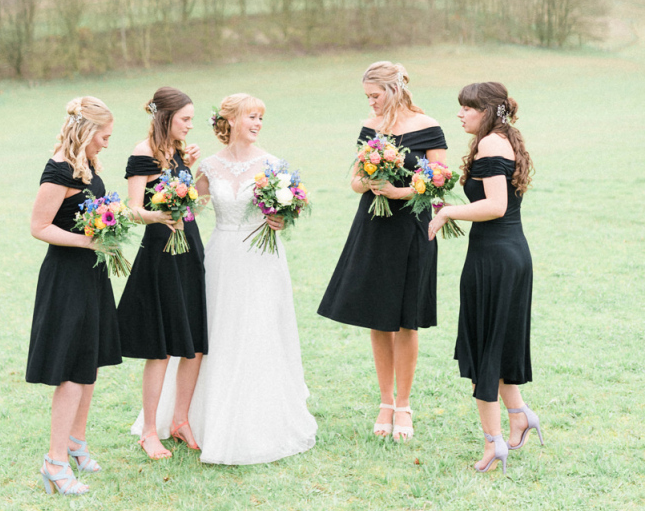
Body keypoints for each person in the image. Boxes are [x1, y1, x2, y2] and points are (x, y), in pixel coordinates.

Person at [141, 93, 317, 464]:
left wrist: (283, 218)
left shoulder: (273, 165)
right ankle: (192, 416)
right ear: (231, 120)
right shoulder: (208, 166)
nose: (256, 124)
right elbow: (188, 206)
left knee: (258, 329)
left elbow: (287, 210)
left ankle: (256, 417)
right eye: (251, 117)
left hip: (262, 258)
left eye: (260, 119)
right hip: (220, 256)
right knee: (218, 332)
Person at [318, 61, 447, 441]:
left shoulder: (428, 127)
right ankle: (385, 402)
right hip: (374, 227)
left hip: (412, 226)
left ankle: (404, 405)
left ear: (393, 89)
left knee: (407, 319)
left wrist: (401, 191)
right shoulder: (369, 129)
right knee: (378, 316)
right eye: (367, 97)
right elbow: (356, 180)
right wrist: (370, 182)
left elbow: (439, 180)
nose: (370, 103)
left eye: (374, 95)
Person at [429, 81, 542, 474]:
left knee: (485, 351)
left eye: (467, 108)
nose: (460, 114)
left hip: (495, 258)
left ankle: (494, 444)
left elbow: (495, 205)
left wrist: (447, 213)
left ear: (490, 111)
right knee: (496, 343)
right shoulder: (500, 139)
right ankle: (518, 416)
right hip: (506, 254)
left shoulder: (492, 144)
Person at [26, 96, 122, 495]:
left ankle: (76, 443)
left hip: (92, 276)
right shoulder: (59, 170)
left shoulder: (88, 166)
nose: (106, 143)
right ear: (85, 131)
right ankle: (55, 462)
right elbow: (38, 226)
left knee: (89, 362)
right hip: (67, 277)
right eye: (103, 135)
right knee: (69, 370)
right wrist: (87, 243)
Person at [117, 86, 207, 459]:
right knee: (161, 349)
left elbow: (193, 209)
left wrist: (199, 181)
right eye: (185, 119)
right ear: (165, 117)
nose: (190, 125)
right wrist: (160, 215)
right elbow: (131, 208)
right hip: (160, 252)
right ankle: (150, 431)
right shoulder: (143, 152)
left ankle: (181, 420)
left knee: (195, 345)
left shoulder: (179, 152)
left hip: (190, 249)